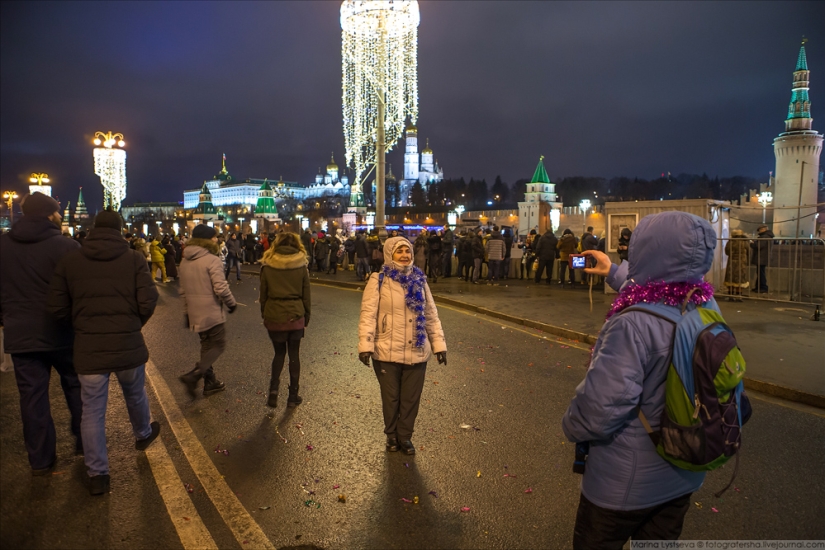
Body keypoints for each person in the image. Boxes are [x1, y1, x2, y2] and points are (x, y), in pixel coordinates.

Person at [563, 211, 716, 549]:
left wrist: (571, 426)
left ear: (645, 250)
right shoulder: (704, 305)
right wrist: (614, 273)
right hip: (683, 472)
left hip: (624, 483)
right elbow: (660, 292)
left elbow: (600, 410)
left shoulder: (632, 324)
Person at [48, 210, 161, 495]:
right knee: (135, 394)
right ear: (121, 230)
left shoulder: (71, 260)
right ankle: (143, 434)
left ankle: (98, 474)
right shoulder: (134, 259)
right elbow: (148, 300)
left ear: (95, 228)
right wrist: (133, 324)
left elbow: (57, 306)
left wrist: (80, 325)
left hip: (89, 348)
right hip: (127, 345)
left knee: (92, 412)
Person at [0, 192, 83, 475]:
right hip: (63, 333)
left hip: (21, 335)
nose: (60, 217)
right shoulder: (66, 247)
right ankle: (86, 444)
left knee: (32, 398)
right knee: (76, 388)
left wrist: (7, 318)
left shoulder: (3, 246)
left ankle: (41, 459)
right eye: (58, 213)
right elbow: (78, 291)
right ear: (49, 215)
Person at [358, 237, 447, 455]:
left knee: (410, 399)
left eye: (408, 251)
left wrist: (439, 345)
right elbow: (368, 315)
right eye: (400, 251)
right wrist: (365, 346)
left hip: (417, 350)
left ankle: (405, 436)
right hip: (386, 349)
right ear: (390, 254)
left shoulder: (420, 280)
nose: (405, 255)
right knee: (391, 398)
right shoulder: (378, 280)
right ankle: (391, 435)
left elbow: (431, 315)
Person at [178, 224, 237, 397]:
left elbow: (183, 290)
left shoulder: (185, 260)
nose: (216, 239)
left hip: (195, 312)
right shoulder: (212, 260)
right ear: (206, 239)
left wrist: (187, 311)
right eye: (213, 237)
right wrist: (231, 303)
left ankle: (210, 382)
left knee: (206, 345)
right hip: (211, 311)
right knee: (219, 344)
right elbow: (220, 287)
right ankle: (195, 375)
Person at [260, 233, 311, 408]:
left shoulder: (267, 266)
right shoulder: (301, 266)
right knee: (294, 355)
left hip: (274, 314)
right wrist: (306, 316)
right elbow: (306, 296)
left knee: (279, 354)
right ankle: (293, 395)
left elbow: (263, 295)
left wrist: (265, 314)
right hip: (295, 314)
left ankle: (273, 391)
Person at [724, 229, 750, 301]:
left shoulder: (731, 241)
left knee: (731, 278)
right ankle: (739, 296)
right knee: (740, 279)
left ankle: (731, 296)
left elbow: (727, 251)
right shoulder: (744, 241)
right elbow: (749, 251)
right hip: (742, 262)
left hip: (732, 262)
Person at [750, 224, 773, 293]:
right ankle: (758, 287)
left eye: (760, 230)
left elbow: (758, 246)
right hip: (763, 257)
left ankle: (763, 287)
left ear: (764, 229)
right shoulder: (768, 236)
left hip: (761, 258)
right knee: (760, 273)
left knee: (761, 273)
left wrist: (751, 243)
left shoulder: (764, 237)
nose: (759, 231)